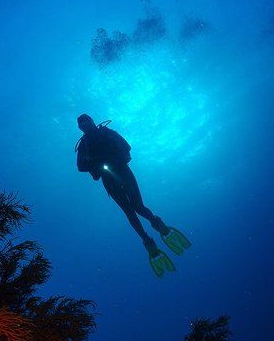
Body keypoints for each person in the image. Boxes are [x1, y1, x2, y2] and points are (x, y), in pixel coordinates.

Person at [75, 114, 190, 276]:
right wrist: (96, 165)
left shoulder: (107, 132)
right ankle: (147, 240)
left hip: (122, 171)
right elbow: (80, 166)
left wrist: (114, 159)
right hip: (108, 179)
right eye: (81, 124)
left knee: (137, 206)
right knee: (129, 212)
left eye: (86, 121)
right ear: (80, 128)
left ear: (92, 121)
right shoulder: (83, 145)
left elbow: (126, 146)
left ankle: (157, 223)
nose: (84, 125)